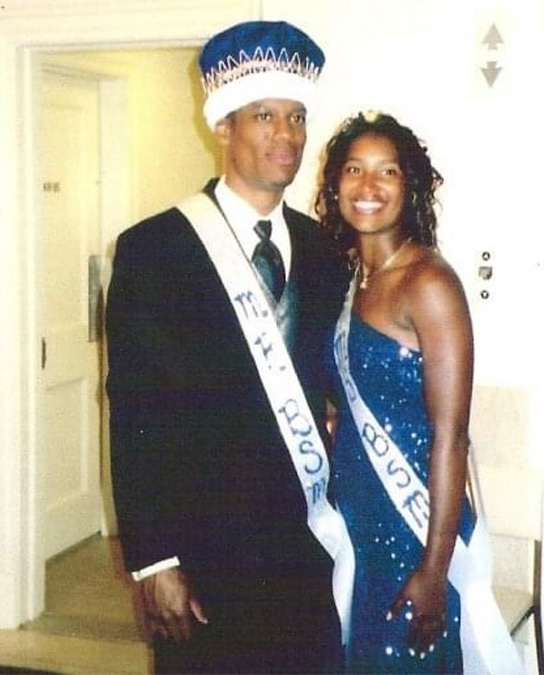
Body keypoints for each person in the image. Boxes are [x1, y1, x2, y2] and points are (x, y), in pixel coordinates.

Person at [106, 21, 351, 673]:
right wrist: (156, 560)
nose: (287, 135)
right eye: (265, 116)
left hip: (308, 549)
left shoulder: (329, 250)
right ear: (222, 126)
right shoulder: (155, 250)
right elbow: (135, 415)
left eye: (297, 117)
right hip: (206, 552)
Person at [317, 111, 518, 674]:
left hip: (417, 535)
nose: (368, 186)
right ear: (335, 185)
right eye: (354, 169)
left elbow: (451, 440)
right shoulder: (350, 279)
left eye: (388, 171)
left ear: (411, 188)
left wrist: (434, 571)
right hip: (360, 529)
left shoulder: (428, 283)